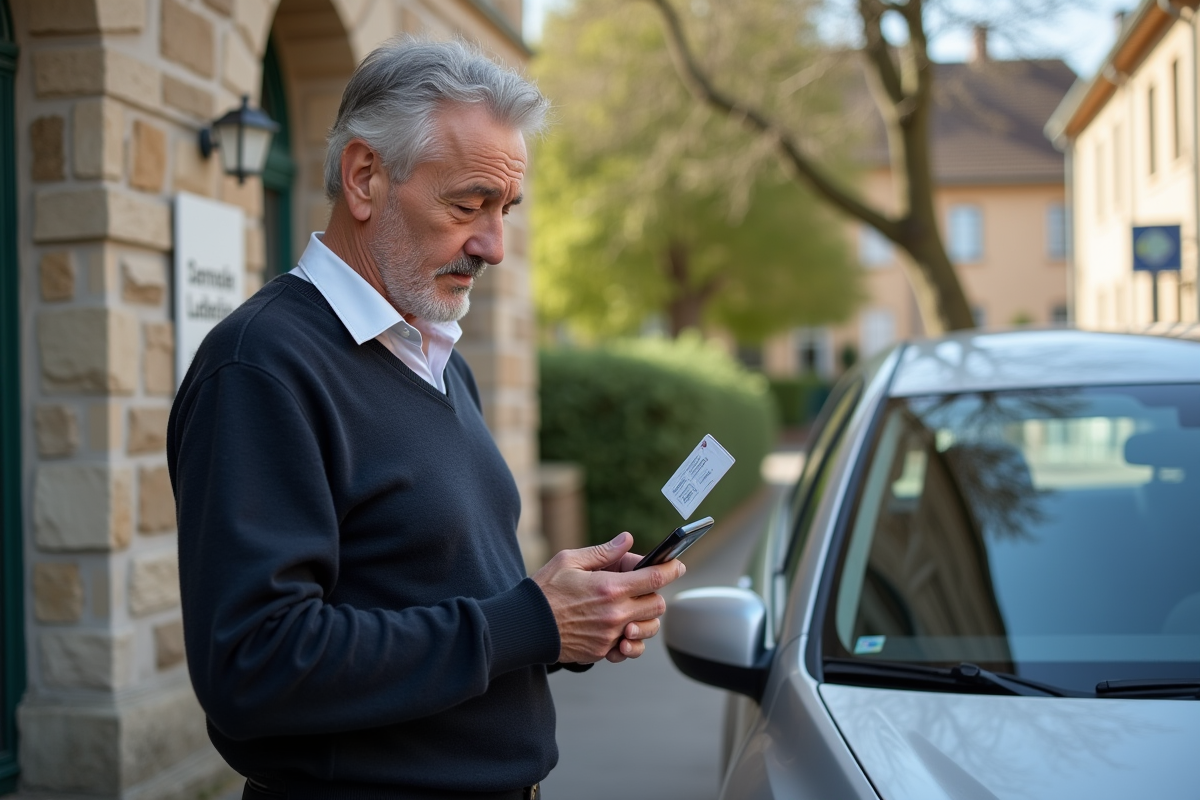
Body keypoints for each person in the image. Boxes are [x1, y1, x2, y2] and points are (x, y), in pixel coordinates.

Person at [167, 38, 686, 800]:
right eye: (467, 204)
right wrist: (528, 622)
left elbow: (433, 598)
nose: (494, 246)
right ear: (365, 177)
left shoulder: (440, 359)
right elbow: (255, 665)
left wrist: (566, 618)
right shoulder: (260, 366)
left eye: (504, 210)